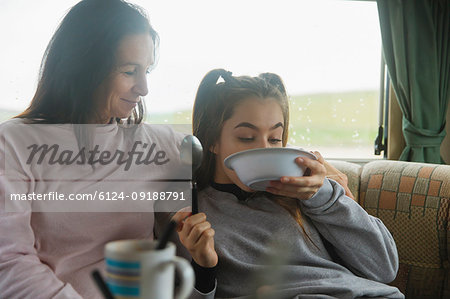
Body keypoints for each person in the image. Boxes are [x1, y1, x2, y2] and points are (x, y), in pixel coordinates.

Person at [0, 0, 188, 298]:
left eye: (147, 71)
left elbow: (229, 161)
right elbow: (8, 262)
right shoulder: (13, 144)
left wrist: (290, 190)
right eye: (129, 71)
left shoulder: (159, 144)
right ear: (84, 67)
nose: (143, 88)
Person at [161, 69, 403, 298]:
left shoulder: (308, 191)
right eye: (246, 138)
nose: (264, 149)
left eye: (275, 138)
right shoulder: (190, 213)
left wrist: (323, 196)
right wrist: (204, 269)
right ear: (213, 141)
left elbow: (384, 268)